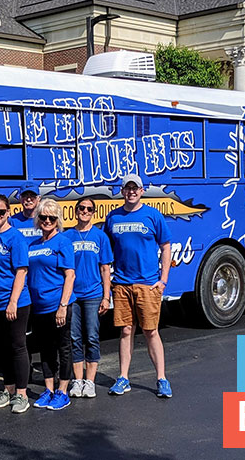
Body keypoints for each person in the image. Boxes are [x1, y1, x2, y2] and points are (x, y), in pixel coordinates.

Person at [104, 174, 173, 399]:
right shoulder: (113, 217)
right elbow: (107, 249)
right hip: (122, 284)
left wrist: (163, 280)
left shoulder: (153, 216)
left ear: (142, 191)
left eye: (135, 188)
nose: (131, 192)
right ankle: (123, 378)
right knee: (125, 331)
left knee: (151, 331)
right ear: (122, 191)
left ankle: (162, 378)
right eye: (127, 188)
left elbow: (165, 246)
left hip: (148, 284)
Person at [0, 194, 32, 414]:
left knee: (17, 346)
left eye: (1, 212)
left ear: (8, 212)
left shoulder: (15, 238)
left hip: (15, 303)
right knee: (0, 348)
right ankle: (8, 389)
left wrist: (12, 302)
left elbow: (21, 271)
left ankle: (22, 394)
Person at [26, 198, 76, 411]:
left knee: (63, 348)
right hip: (39, 306)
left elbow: (70, 275)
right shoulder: (33, 245)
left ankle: (63, 391)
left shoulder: (62, 242)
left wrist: (63, 306)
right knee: (45, 349)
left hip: (58, 305)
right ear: (37, 219)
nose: (47, 221)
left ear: (58, 220)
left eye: (51, 218)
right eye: (43, 217)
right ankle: (48, 389)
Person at [63, 198, 114, 398]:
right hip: (73, 295)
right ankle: (77, 381)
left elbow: (105, 268)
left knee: (92, 337)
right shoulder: (67, 236)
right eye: (82, 208)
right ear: (76, 211)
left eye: (89, 209)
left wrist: (106, 295)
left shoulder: (100, 237)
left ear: (94, 212)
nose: (85, 211)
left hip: (93, 294)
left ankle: (90, 381)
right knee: (74, 338)